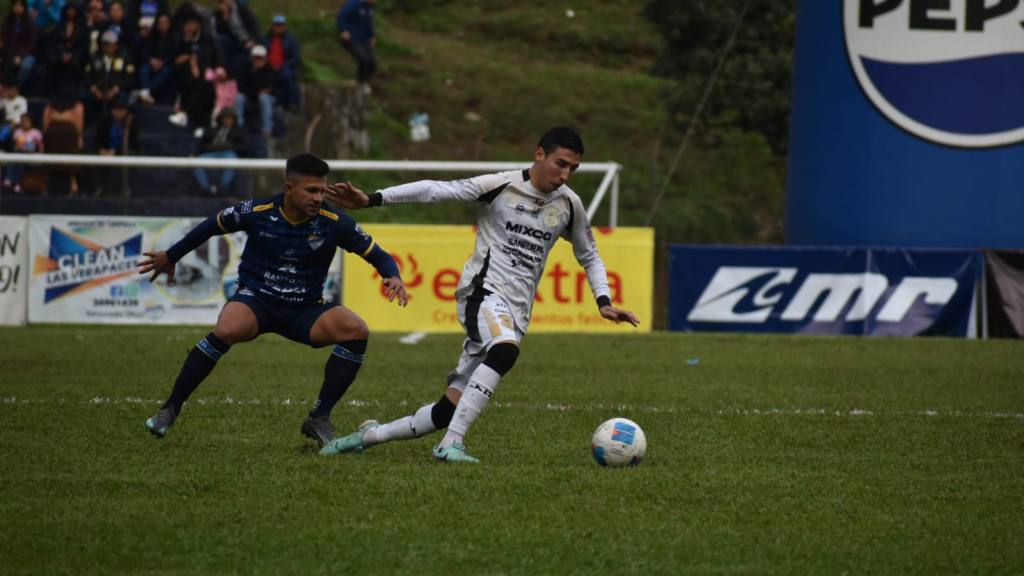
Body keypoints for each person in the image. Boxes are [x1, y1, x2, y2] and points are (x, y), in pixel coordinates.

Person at [320, 126, 640, 463]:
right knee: (504, 350)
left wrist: (603, 301)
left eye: (573, 168)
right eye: (560, 164)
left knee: (446, 409)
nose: (565, 175)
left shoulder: (569, 205)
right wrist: (373, 198)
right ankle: (451, 444)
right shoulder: (500, 184)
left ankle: (365, 437)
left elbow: (589, 254)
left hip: (515, 312)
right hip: (482, 292)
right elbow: (436, 190)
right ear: (539, 154)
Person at [139, 153, 409, 448]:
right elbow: (211, 225)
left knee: (356, 330)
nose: (318, 198)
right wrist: (171, 256)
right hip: (258, 300)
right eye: (311, 190)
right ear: (288, 187)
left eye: (322, 190)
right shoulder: (257, 210)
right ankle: (171, 408)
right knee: (228, 327)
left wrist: (392, 275)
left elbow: (378, 255)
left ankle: (319, 417)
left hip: (306, 309)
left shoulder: (334, 222)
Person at [193, 106, 245, 195]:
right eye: (225, 118)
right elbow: (201, 146)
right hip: (211, 153)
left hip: (228, 153)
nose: (227, 121)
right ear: (221, 119)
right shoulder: (211, 130)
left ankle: (223, 187)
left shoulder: (239, 131)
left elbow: (244, 146)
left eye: (230, 118)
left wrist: (228, 146)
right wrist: (214, 147)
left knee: (232, 160)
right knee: (196, 163)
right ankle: (206, 189)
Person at [87, 29, 134, 121]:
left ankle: (116, 125)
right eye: (105, 44)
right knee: (85, 97)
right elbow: (87, 76)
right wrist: (94, 89)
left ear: (116, 45)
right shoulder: (95, 57)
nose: (108, 47)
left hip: (117, 90)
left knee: (123, 98)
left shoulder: (124, 57)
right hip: (98, 90)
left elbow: (129, 78)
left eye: (111, 44)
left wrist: (116, 89)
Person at [336, 0, 376, 93]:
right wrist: (344, 30)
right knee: (363, 59)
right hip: (352, 38)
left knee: (373, 63)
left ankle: (365, 81)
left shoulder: (369, 8)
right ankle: (361, 81)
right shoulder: (354, 3)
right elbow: (342, 16)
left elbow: (369, 23)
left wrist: (372, 35)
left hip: (365, 40)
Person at [262, 14, 300, 111]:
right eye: (276, 25)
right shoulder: (265, 39)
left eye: (280, 25)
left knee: (286, 77)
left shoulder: (291, 40)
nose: (278, 28)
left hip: (285, 67)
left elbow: (295, 58)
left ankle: (291, 104)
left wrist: (282, 66)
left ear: (284, 26)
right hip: (268, 67)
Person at [1, 0, 38, 90]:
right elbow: (5, 40)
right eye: (15, 5)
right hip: (10, 52)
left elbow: (31, 43)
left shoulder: (30, 22)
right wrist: (12, 55)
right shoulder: (8, 21)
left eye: (20, 6)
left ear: (24, 7)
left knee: (26, 66)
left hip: (27, 53)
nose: (17, 8)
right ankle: (4, 88)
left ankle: (16, 88)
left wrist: (20, 56)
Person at [4, 112, 42, 193]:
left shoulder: (36, 132)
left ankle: (18, 183)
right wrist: (20, 146)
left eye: (27, 121)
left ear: (31, 122)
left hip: (31, 155)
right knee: (14, 159)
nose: (25, 123)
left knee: (21, 161)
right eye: (23, 121)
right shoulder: (17, 132)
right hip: (19, 154)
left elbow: (40, 146)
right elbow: (15, 146)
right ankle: (8, 179)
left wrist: (41, 155)